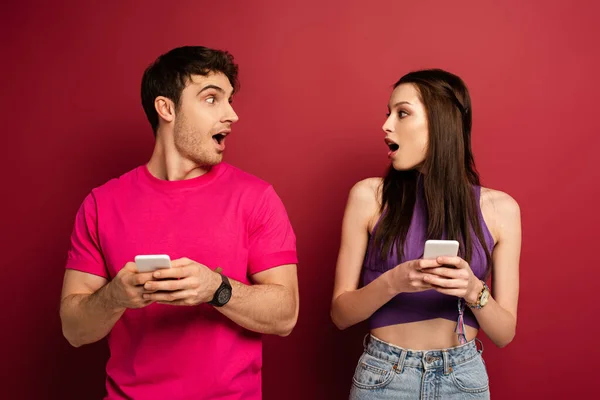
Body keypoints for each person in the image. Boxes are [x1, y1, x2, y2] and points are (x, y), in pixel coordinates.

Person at [59, 46, 299, 400]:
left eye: (230, 100)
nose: (231, 114)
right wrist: (115, 296)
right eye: (211, 99)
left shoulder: (256, 198)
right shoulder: (100, 204)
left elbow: (286, 315)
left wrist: (215, 289)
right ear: (166, 108)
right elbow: (73, 329)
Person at [330, 69, 521, 399]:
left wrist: (474, 290)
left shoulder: (500, 209)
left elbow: (504, 334)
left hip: (463, 378)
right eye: (388, 113)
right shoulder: (368, 197)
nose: (386, 125)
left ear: (441, 122)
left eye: (402, 113)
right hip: (384, 376)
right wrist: (394, 282)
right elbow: (340, 315)